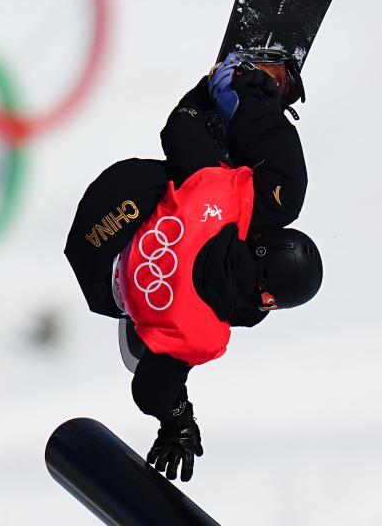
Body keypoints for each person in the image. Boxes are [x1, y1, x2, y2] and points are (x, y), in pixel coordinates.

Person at [63, 49, 324, 483]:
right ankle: (149, 320)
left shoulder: (216, 194)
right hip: (98, 274)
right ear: (270, 297)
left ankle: (242, 86)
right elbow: (148, 392)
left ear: (263, 245)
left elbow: (177, 128)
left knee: (279, 194)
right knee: (222, 322)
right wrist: (177, 421)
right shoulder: (202, 337)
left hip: (117, 202)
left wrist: (204, 96)